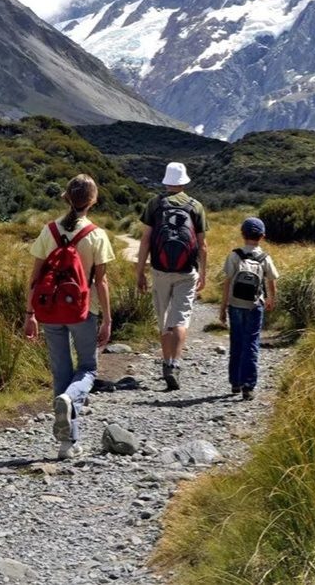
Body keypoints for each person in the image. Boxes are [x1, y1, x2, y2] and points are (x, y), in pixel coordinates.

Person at [25, 174, 115, 459]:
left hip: (50, 311)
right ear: (93, 200)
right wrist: (108, 319)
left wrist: (30, 313)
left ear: (65, 198)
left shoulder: (48, 231)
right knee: (87, 368)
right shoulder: (97, 235)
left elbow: (35, 277)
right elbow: (101, 282)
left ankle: (67, 443)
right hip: (83, 311)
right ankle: (70, 400)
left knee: (61, 372)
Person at [136, 161, 208, 391]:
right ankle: (175, 364)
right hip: (187, 271)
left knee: (164, 319)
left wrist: (140, 272)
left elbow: (145, 240)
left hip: (160, 271)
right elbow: (203, 245)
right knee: (181, 319)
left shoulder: (154, 204)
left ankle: (166, 363)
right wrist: (203, 274)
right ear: (184, 182)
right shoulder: (196, 206)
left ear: (166, 182)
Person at [219, 217, 279, 400]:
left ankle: (235, 383)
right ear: (262, 236)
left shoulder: (234, 255)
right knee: (251, 344)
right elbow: (272, 281)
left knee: (236, 343)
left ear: (242, 234)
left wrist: (222, 308)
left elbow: (227, 283)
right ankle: (248, 386)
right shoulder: (265, 258)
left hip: (235, 305)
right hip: (255, 306)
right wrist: (270, 301)